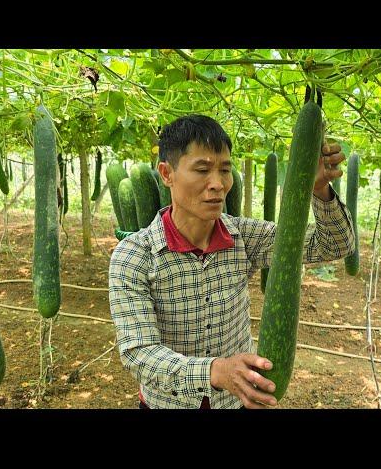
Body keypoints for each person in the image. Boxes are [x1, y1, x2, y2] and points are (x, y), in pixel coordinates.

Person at [108, 114, 355, 409]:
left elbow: (334, 244)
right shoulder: (134, 256)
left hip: (234, 403)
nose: (217, 184)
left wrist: (318, 189)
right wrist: (215, 371)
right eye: (202, 170)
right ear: (166, 173)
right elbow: (140, 353)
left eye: (225, 170)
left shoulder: (244, 236)